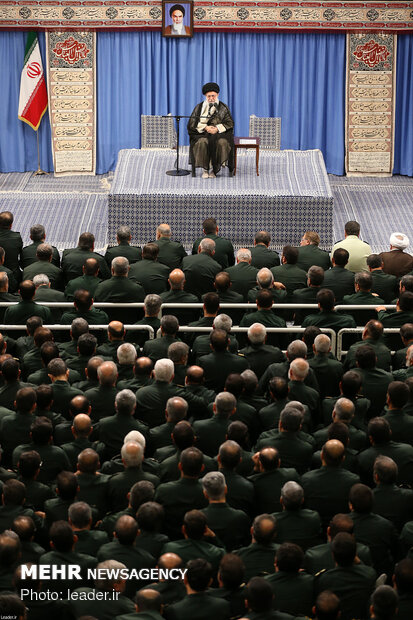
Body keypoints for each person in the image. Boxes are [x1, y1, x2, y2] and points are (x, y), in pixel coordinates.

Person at [188, 82, 234, 178]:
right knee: (203, 141)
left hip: (219, 133)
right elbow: (192, 123)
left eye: (213, 96)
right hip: (202, 133)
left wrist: (217, 128)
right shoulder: (199, 107)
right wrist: (205, 127)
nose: (211, 98)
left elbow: (229, 123)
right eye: (208, 96)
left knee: (221, 142)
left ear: (217, 95)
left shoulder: (223, 108)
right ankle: (205, 169)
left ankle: (215, 170)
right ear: (205, 96)